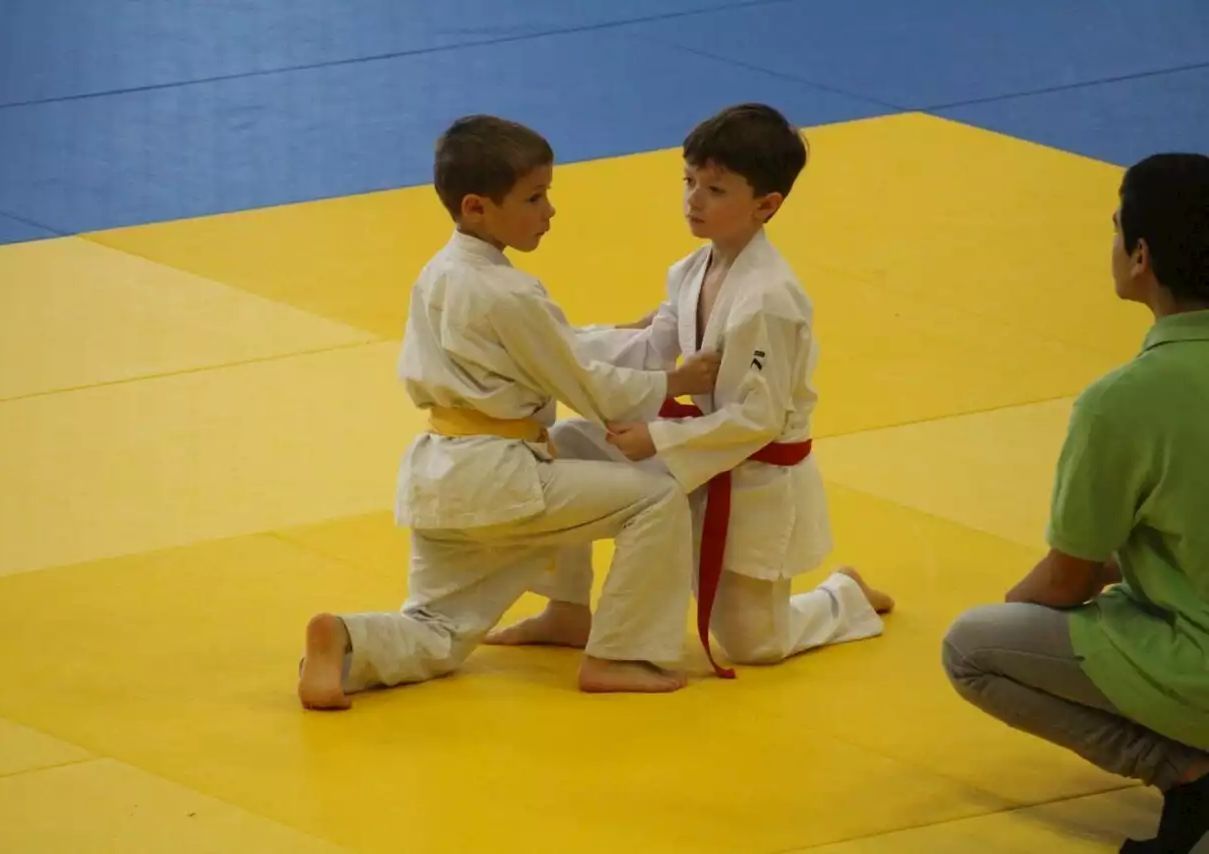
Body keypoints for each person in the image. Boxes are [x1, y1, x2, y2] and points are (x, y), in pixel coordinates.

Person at [297, 115, 722, 708]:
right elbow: (583, 382)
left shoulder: (439, 274)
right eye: (534, 198)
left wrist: (622, 337)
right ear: (476, 207)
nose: (549, 211)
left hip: (441, 475)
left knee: (437, 630)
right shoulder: (511, 293)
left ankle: (348, 639)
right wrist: (674, 378)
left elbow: (545, 351)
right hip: (500, 479)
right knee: (654, 500)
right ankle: (619, 653)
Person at [485, 103, 893, 677]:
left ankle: (842, 595)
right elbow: (655, 344)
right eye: (689, 181)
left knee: (754, 644)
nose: (694, 200)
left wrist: (654, 437)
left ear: (765, 205)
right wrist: (559, 347)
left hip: (752, 474)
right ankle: (567, 607)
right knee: (567, 444)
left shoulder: (769, 301)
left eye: (716, 189)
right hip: (693, 449)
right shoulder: (689, 271)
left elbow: (759, 421)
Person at [943, 153, 1209, 854]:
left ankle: (1185, 771)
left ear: (1142, 256)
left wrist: (1015, 609)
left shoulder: (1124, 401)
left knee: (974, 648)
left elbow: (1070, 578)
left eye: (1118, 228)